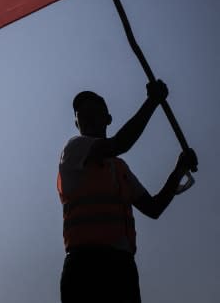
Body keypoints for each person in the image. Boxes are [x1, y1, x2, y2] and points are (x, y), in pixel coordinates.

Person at [57, 80, 197, 303]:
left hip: (121, 268)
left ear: (107, 119)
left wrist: (179, 170)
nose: (88, 116)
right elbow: (119, 143)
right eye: (82, 114)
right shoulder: (74, 149)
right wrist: (152, 102)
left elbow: (153, 208)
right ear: (76, 122)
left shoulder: (119, 168)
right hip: (85, 265)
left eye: (94, 111)